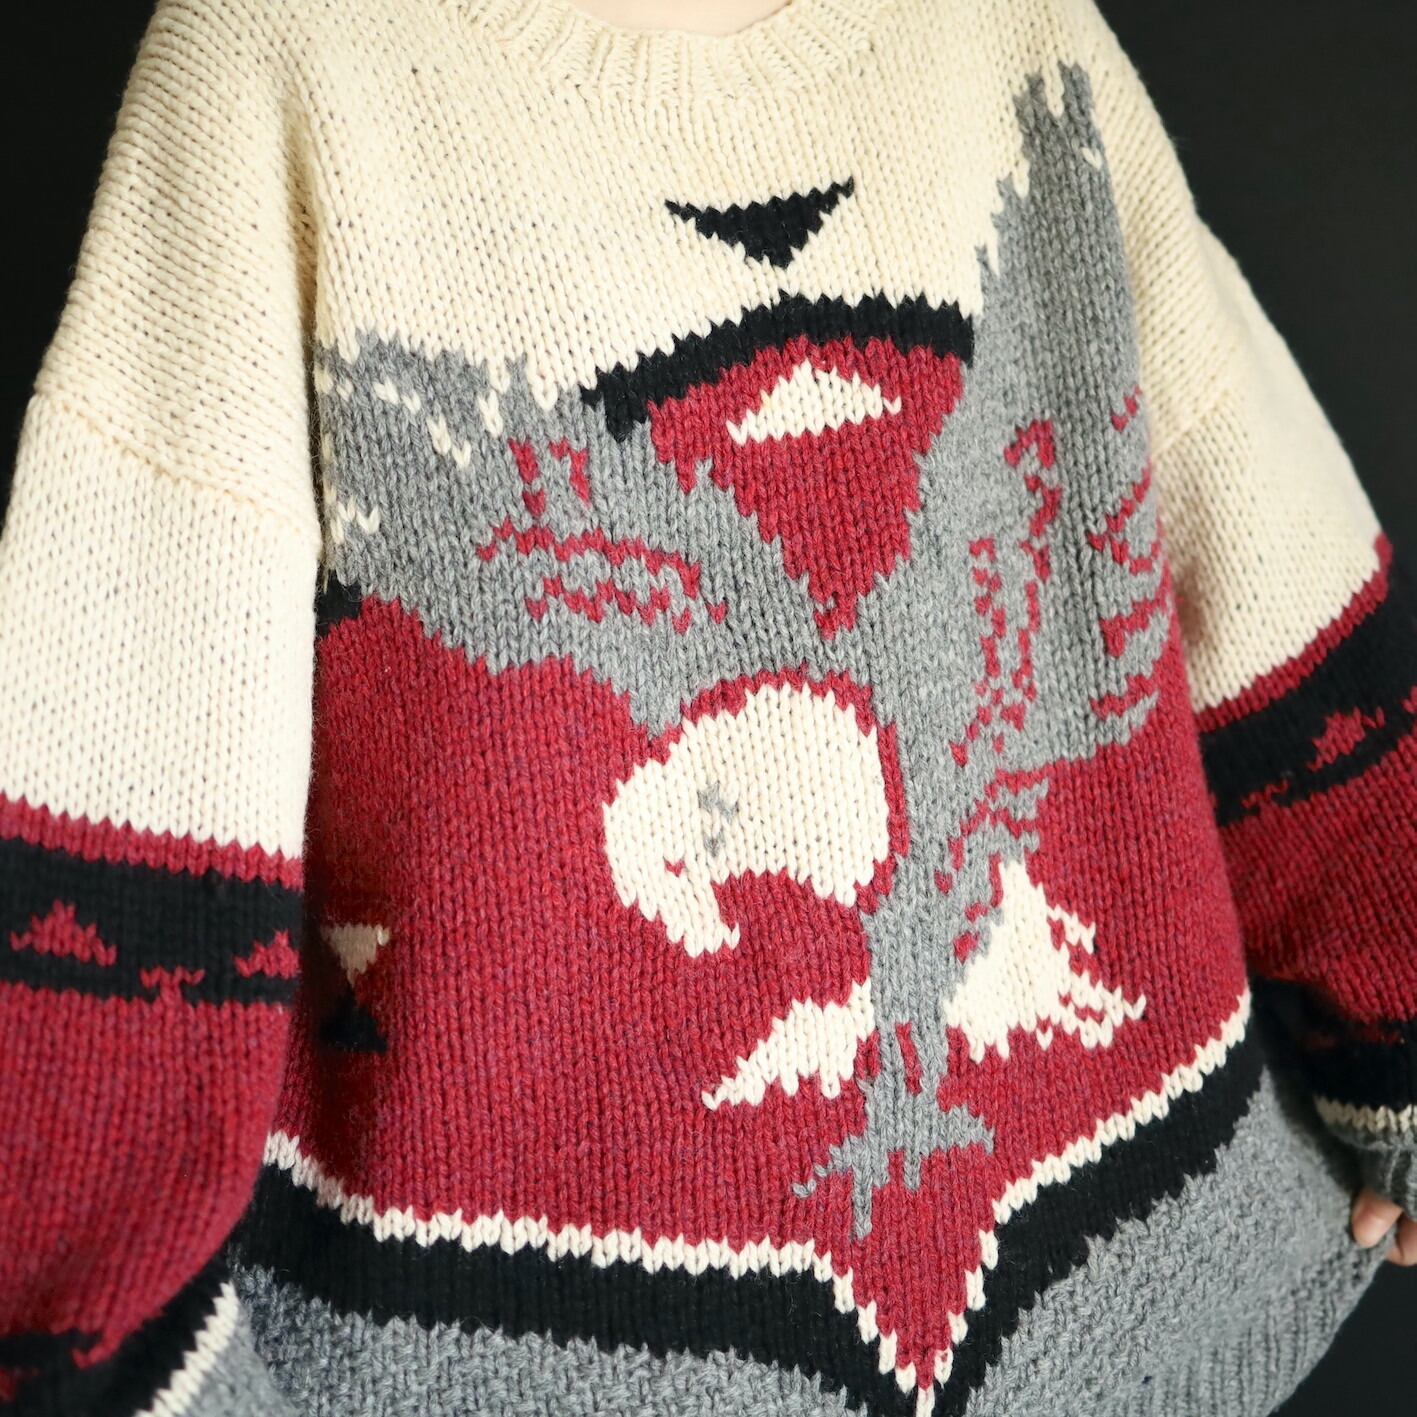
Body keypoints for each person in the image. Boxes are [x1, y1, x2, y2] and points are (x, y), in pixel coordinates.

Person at [1, 1, 1412, 1414]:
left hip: (1145, 1299)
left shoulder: (1006, 24)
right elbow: (129, 705)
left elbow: (1247, 523)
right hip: (498, 1344)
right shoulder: (276, 57)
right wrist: (107, 1355)